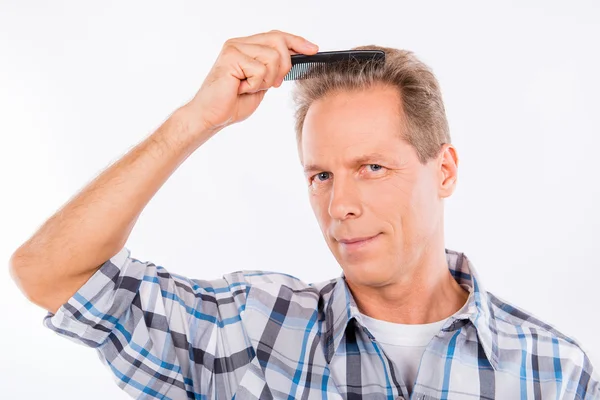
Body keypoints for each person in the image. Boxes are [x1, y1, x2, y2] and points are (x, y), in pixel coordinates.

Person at [9, 30, 599, 400]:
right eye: (321, 175)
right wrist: (196, 119)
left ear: (443, 170)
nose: (340, 205)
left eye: (372, 167)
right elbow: (49, 272)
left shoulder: (554, 372)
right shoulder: (247, 332)